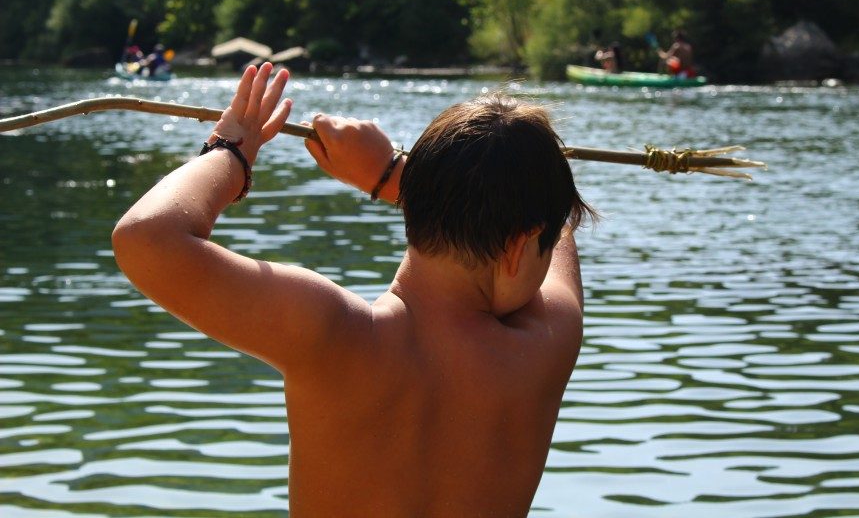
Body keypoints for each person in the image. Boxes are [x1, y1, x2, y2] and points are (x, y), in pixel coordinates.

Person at [112, 63, 595, 516]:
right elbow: (564, 228)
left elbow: (145, 237)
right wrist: (393, 174)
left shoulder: (333, 335)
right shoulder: (547, 345)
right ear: (523, 245)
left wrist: (232, 149)